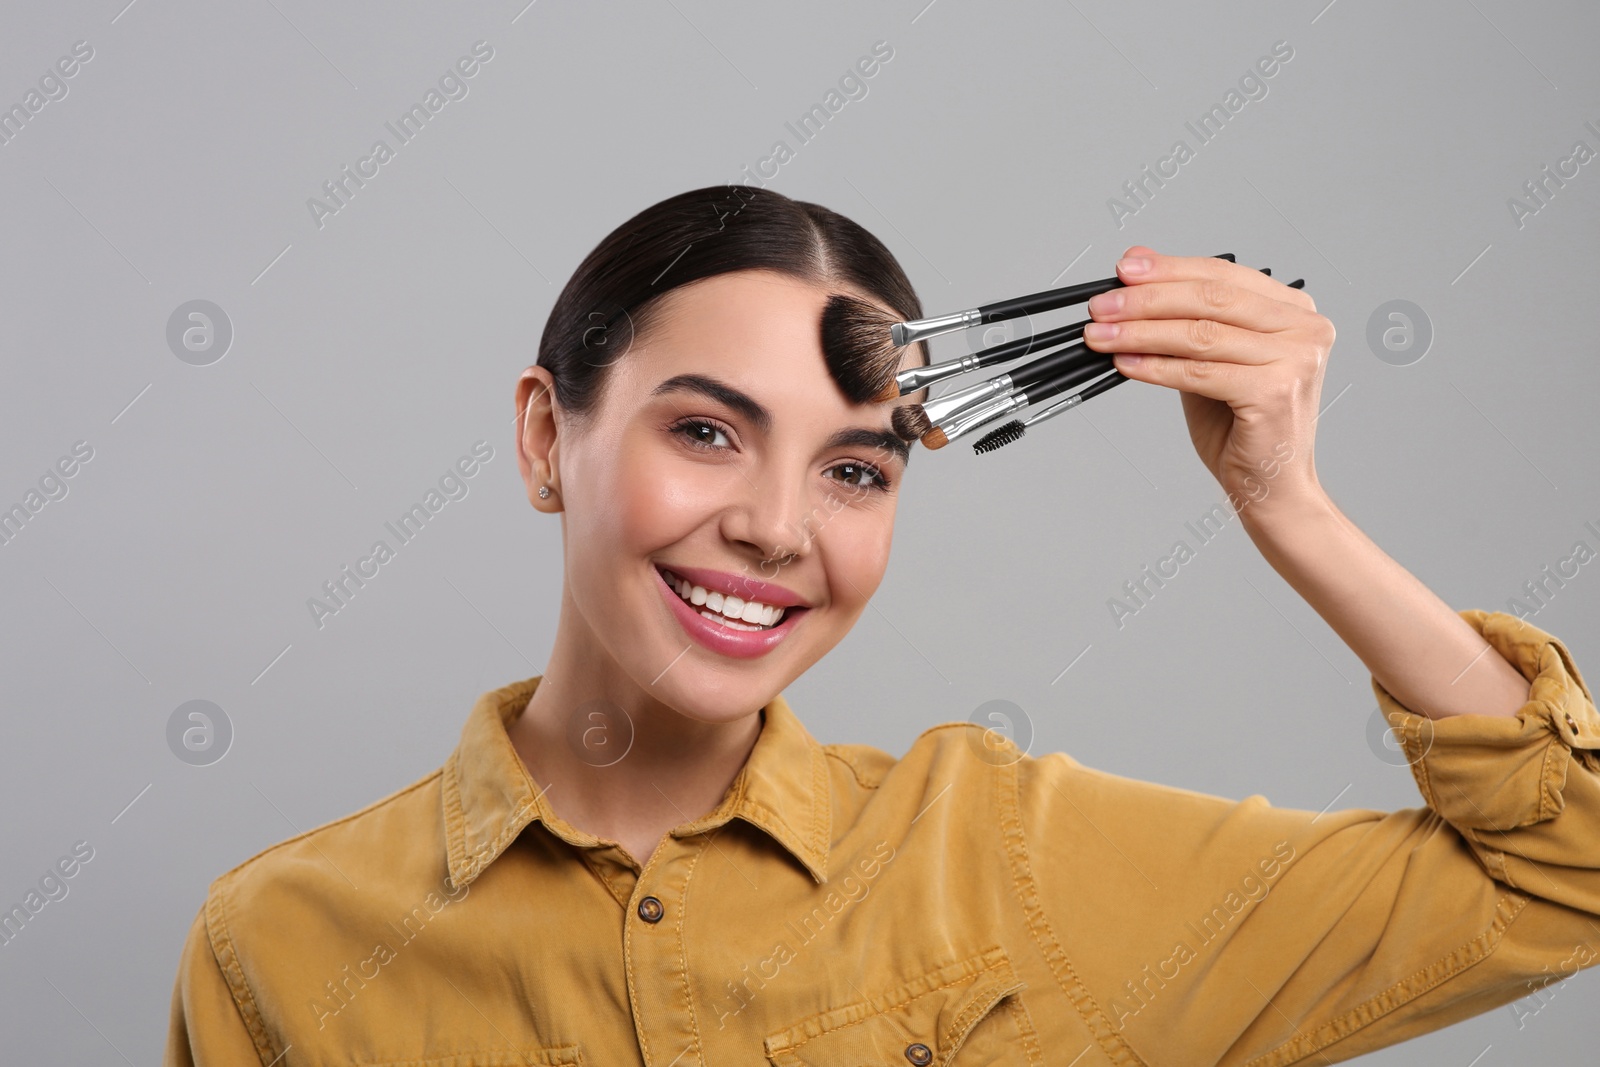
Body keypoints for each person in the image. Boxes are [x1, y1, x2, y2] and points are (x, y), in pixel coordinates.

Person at [164, 186, 1600, 1066]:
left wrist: (1290, 507)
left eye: (856, 468)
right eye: (709, 433)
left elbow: (1572, 877)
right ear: (549, 437)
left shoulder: (1006, 860)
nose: (780, 527)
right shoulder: (283, 944)